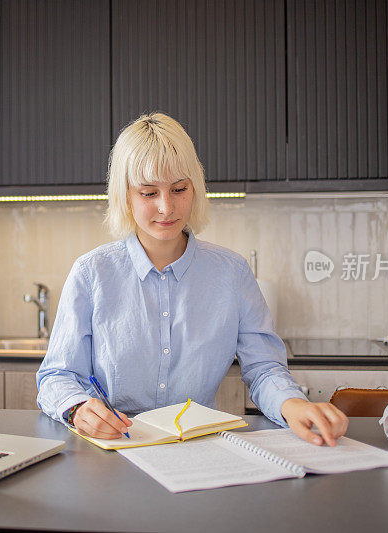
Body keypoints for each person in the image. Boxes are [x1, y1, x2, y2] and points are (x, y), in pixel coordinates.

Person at [36, 112, 348, 446]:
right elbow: (57, 376)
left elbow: (264, 368)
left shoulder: (232, 272)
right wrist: (78, 408)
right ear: (126, 195)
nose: (166, 207)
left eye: (179, 189)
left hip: (200, 447)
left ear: (195, 188)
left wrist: (292, 404)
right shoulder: (91, 273)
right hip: (116, 449)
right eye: (148, 193)